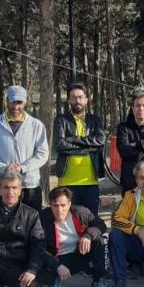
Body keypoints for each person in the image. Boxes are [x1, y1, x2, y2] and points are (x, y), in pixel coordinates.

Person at [0, 85, 50, 211]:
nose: (16, 107)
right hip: (4, 187)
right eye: (12, 102)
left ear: (25, 103)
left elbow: (42, 154)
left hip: (30, 187)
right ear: (6, 101)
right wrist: (5, 169)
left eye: (19, 102)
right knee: (3, 221)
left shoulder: (36, 125)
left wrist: (23, 168)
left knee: (32, 220)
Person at [38, 186, 111, 287]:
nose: (59, 210)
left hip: (79, 253)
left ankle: (99, 280)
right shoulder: (42, 217)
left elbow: (101, 225)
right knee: (41, 263)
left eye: (63, 205)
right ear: (50, 205)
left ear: (69, 204)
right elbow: (38, 247)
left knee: (101, 240)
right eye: (55, 206)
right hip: (56, 258)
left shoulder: (80, 212)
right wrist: (56, 265)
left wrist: (88, 235)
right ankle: (53, 280)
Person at [53, 83, 107, 216]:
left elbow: (100, 140)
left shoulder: (95, 120)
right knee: (69, 219)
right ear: (69, 100)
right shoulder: (61, 120)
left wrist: (73, 139)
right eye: (73, 97)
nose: (77, 100)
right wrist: (87, 149)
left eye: (80, 97)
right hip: (67, 180)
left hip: (90, 180)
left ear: (86, 100)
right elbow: (59, 144)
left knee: (91, 218)